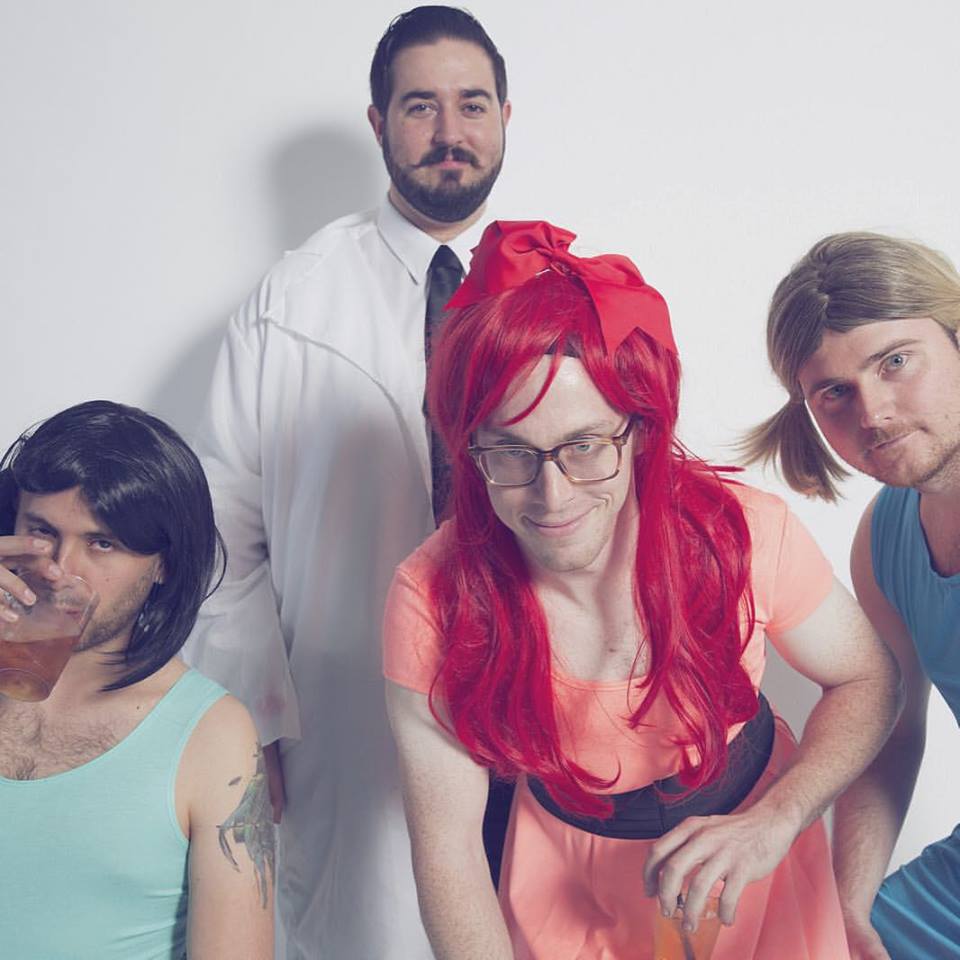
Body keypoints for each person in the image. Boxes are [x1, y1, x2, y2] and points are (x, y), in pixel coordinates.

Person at [382, 220, 902, 959]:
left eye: (585, 446)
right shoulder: (431, 597)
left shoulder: (742, 534)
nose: (553, 496)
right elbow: (450, 852)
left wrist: (778, 819)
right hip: (566, 882)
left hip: (756, 855)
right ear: (469, 448)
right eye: (510, 452)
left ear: (641, 430)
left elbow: (868, 678)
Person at [181, 6, 512, 957]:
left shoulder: (562, 287)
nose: (449, 132)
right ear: (379, 123)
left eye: (472, 105)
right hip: (349, 704)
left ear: (505, 117)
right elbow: (222, 527)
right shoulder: (294, 299)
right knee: (374, 926)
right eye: (419, 106)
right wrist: (255, 716)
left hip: (537, 690)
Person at [743, 231, 960, 960]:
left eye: (895, 362)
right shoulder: (885, 535)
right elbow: (895, 728)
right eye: (834, 393)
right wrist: (848, 907)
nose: (873, 413)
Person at [0, 400, 273, 960]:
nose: (59, 569)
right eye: (41, 531)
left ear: (163, 564)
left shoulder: (212, 735)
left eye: (102, 543)